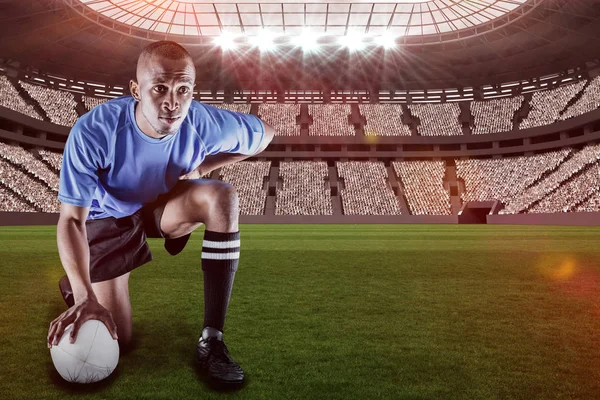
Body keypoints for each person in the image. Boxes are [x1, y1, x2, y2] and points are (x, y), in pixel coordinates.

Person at [46, 40, 275, 387]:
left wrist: (204, 165)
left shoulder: (202, 121)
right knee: (117, 338)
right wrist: (84, 296)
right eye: (160, 89)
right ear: (136, 90)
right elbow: (71, 219)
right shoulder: (95, 131)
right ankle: (79, 285)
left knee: (222, 197)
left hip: (161, 204)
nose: (173, 102)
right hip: (106, 215)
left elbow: (265, 135)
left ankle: (212, 340)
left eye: (184, 89)